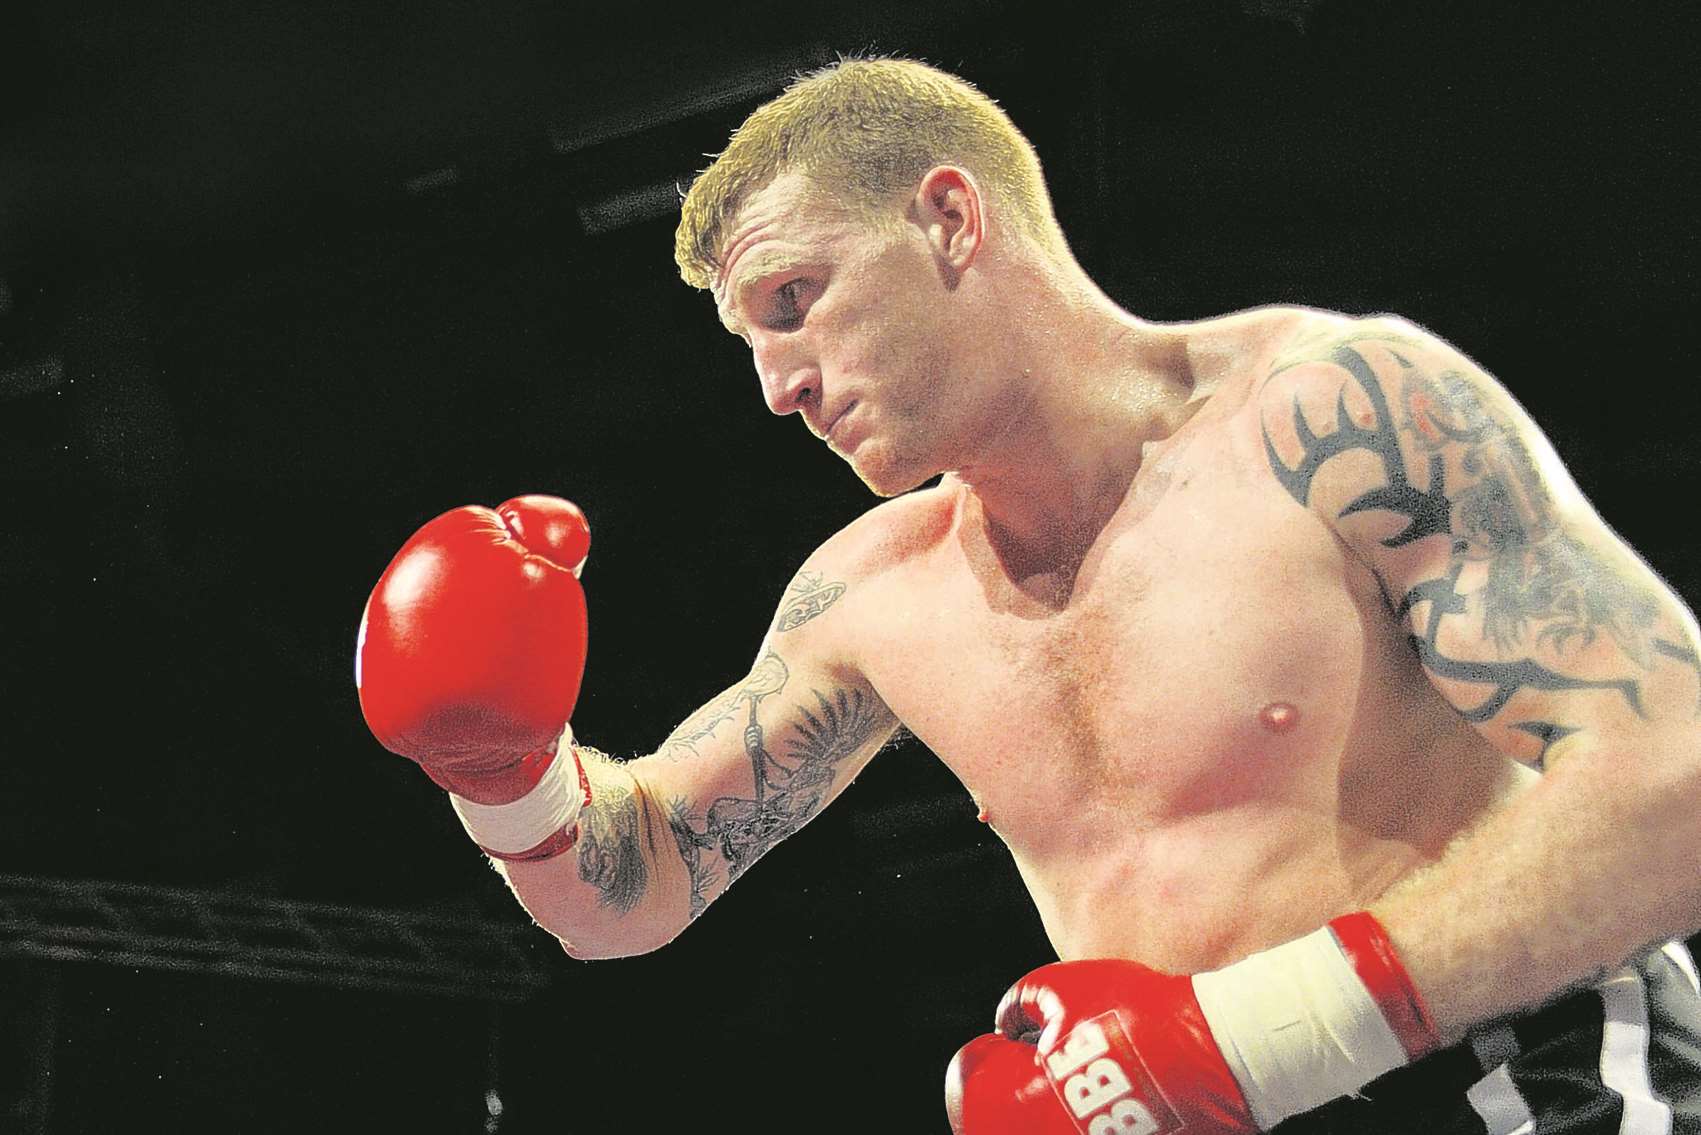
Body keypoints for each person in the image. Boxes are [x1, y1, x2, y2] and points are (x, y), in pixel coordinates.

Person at [356, 58, 1701, 1133]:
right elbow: (628, 889)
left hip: (1519, 1079)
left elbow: (1673, 780)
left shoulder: (1328, 414)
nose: (779, 385)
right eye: (749, 343)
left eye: (794, 299)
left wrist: (1248, 1043)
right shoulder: (872, 595)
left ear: (948, 217)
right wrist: (503, 769)